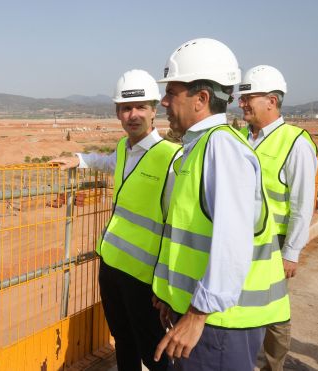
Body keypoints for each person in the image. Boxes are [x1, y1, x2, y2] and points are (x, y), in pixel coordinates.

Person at [151, 38, 290, 370]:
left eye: (172, 92)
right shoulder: (199, 147)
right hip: (200, 317)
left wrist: (198, 314)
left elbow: (232, 243)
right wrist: (170, 293)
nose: (164, 102)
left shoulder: (222, 150)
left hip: (218, 325)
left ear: (201, 98)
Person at [50, 69, 181, 370]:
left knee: (153, 351)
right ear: (117, 113)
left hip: (145, 278)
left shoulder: (171, 158)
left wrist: (166, 283)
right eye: (125, 108)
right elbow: (109, 163)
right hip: (111, 265)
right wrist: (80, 160)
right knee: (123, 339)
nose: (132, 115)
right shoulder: (124, 148)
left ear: (154, 110)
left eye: (139, 107)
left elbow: (176, 227)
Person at [237, 65, 318, 371]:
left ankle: (273, 365)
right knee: (242, 304)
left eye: (249, 97)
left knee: (273, 310)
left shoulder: (294, 142)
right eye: (242, 97)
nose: (242, 102)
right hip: (243, 237)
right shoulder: (242, 138)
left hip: (275, 242)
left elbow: (301, 204)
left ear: (271, 101)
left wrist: (292, 252)